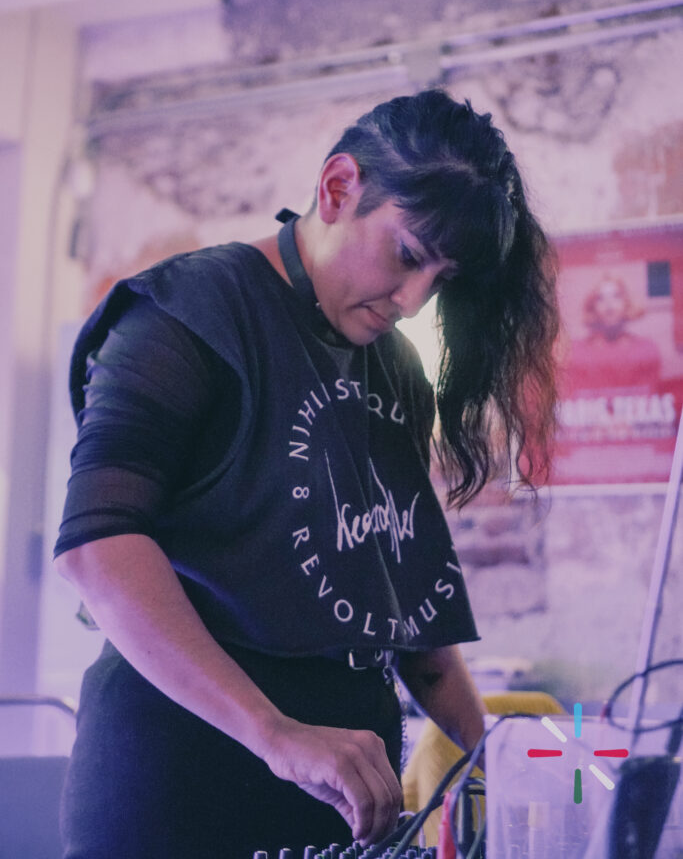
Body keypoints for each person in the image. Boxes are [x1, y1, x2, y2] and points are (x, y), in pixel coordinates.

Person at [53, 89, 558, 859]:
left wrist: (496, 759)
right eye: (408, 254)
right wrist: (275, 733)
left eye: (440, 280)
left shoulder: (395, 368)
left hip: (344, 792)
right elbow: (96, 548)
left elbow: (410, 611)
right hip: (180, 775)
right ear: (337, 187)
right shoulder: (185, 315)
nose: (413, 300)